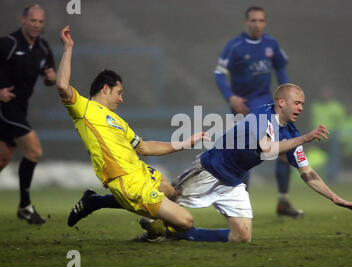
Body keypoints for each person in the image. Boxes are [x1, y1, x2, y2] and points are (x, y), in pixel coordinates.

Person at [58, 26, 231, 243]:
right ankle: (229, 236)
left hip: (140, 171)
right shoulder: (83, 109)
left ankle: (100, 204)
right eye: (118, 93)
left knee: (170, 191)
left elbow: (144, 147)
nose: (121, 99)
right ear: (105, 89)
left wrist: (184, 143)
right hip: (127, 183)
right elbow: (62, 86)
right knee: (185, 222)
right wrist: (68, 48)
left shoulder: (118, 120)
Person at [138, 83, 352, 243]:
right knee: (167, 197)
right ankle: (109, 201)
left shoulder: (291, 133)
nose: (301, 107)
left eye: (303, 104)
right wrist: (306, 137)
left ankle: (177, 235)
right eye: (297, 102)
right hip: (211, 170)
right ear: (281, 102)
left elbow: (308, 173)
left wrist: (334, 198)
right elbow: (266, 147)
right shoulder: (261, 115)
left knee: (242, 236)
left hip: (233, 182)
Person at [214, 6, 300, 218]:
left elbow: (280, 68)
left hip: (267, 106)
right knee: (246, 155)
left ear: (265, 22)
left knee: (282, 152)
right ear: (246, 23)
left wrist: (287, 97)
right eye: (253, 20)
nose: (257, 24)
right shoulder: (235, 46)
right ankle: (241, 206)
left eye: (261, 20)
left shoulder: (271, 44)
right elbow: (219, 74)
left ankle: (283, 201)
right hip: (243, 107)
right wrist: (231, 97)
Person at [0, 4, 56, 224]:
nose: (36, 25)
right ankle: (25, 206)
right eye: (33, 20)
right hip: (5, 108)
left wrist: (51, 78)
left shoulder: (42, 47)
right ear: (23, 20)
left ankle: (24, 206)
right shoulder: (8, 44)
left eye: (41, 22)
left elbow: (48, 77)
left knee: (3, 158)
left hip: (20, 108)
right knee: (34, 151)